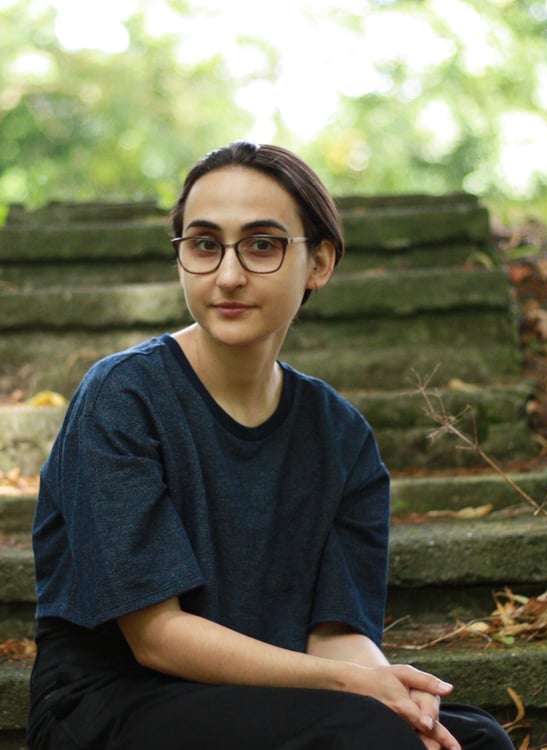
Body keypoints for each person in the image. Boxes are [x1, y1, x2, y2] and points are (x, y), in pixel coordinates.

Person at [27, 141, 514, 750]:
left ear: (319, 263)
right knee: (366, 733)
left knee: (475, 740)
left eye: (262, 245)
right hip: (112, 702)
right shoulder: (123, 397)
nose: (229, 275)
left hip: (265, 701)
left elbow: (335, 635)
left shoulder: (341, 437)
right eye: (204, 245)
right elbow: (156, 637)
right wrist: (356, 690)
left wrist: (396, 699)